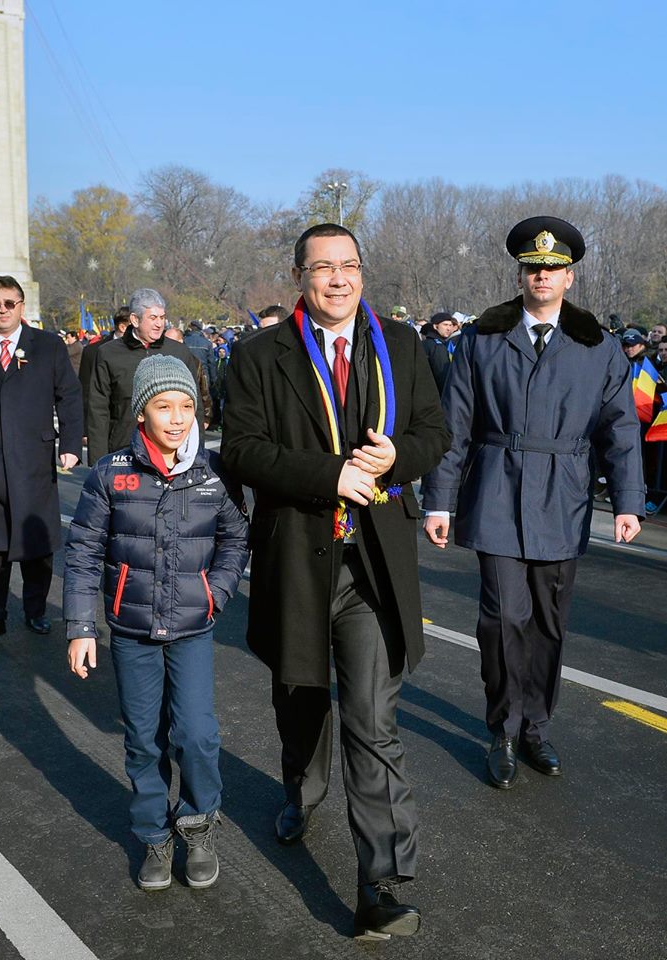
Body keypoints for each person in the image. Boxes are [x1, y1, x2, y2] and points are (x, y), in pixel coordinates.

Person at [221, 223, 450, 940]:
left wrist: (394, 458)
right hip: (295, 555)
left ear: (363, 272)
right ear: (298, 277)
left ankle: (380, 883)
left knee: (373, 723)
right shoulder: (259, 355)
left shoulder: (403, 345)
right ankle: (300, 783)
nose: (339, 279)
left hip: (373, 567)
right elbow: (244, 450)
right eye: (323, 268)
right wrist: (331, 475)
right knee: (300, 699)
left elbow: (433, 433)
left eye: (349, 265)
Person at [422, 216, 644, 789]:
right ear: (520, 274)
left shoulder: (598, 347)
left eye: (553, 269)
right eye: (532, 267)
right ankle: (502, 725)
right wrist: (439, 501)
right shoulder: (481, 339)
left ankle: (536, 728)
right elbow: (456, 426)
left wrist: (627, 501)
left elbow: (620, 429)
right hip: (496, 486)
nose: (542, 276)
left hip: (564, 492)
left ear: (569, 278)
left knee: (548, 621)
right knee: (500, 619)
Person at [64, 355, 249, 891]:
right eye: (163, 406)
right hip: (131, 630)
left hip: (193, 626)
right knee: (144, 740)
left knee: (195, 735)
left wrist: (216, 591)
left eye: (186, 407)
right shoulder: (111, 473)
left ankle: (197, 824)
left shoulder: (214, 474)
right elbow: (82, 553)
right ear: (141, 411)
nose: (176, 418)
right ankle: (153, 836)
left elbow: (237, 538)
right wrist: (80, 628)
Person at [0, 275, 83, 649]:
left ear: (21, 306)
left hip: (34, 462)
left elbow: (69, 397)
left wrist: (71, 444)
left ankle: (35, 609)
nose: (3, 310)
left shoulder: (47, 346)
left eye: (10, 303)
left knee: (36, 545)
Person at [86, 289, 202, 466]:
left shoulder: (179, 352)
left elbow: (195, 405)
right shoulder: (108, 353)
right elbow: (98, 409)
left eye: (162, 318)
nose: (159, 324)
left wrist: (197, 452)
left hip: (172, 452)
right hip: (124, 451)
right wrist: (98, 462)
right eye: (153, 318)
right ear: (134, 319)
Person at [78, 306, 130, 435]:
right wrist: (85, 430)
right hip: (105, 427)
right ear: (123, 327)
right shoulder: (92, 352)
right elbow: (85, 392)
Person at [421, 311, 460, 393]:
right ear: (435, 326)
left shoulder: (427, 343)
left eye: (450, 325)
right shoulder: (437, 346)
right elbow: (443, 376)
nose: (449, 328)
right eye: (445, 325)